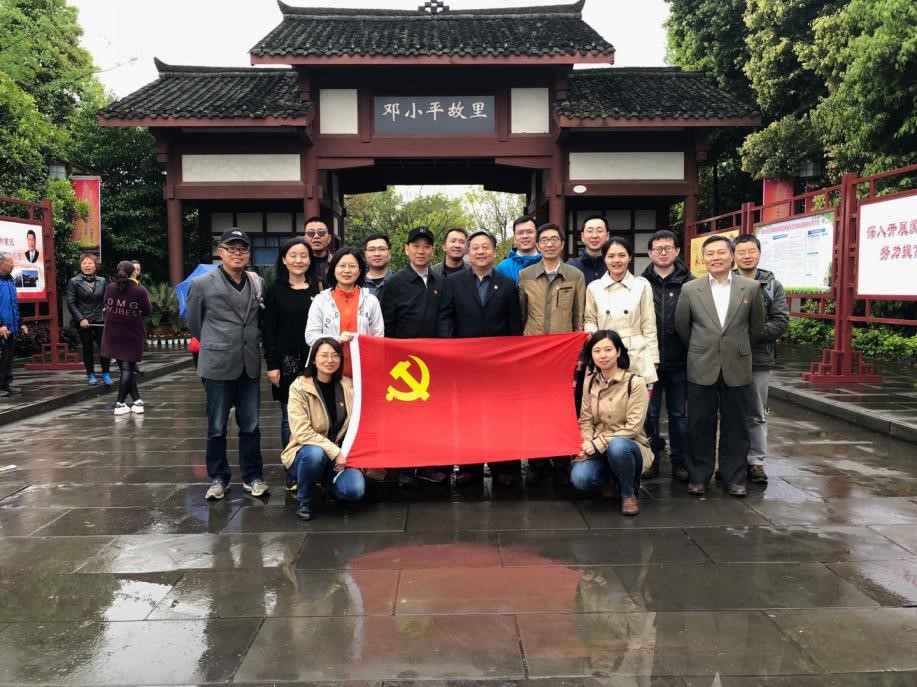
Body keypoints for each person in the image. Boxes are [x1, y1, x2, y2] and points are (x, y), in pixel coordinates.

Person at [675, 234, 765, 497]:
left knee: (736, 424)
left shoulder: (750, 288)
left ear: (731, 256)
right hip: (701, 364)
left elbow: (756, 327)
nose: (716, 258)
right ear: (703, 259)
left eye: (721, 252)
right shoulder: (691, 289)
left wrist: (734, 346)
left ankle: (733, 477)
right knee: (699, 423)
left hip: (737, 364)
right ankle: (698, 476)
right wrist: (704, 347)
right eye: (710, 254)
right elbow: (682, 325)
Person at [187, 228, 270, 501]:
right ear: (220, 252)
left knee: (251, 425)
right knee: (217, 425)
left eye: (242, 249)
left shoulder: (256, 281)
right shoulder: (202, 284)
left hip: (249, 363)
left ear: (249, 254)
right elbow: (194, 323)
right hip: (217, 362)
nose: (237, 253)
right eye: (231, 248)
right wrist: (217, 343)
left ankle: (252, 476)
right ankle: (219, 477)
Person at [439, 229, 522, 486]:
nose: (481, 251)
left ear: (495, 252)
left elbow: (514, 323)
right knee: (468, 414)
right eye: (475, 247)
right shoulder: (454, 282)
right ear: (468, 252)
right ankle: (470, 467)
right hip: (464, 362)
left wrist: (513, 358)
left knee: (501, 415)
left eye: (486, 247)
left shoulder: (507, 284)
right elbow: (446, 317)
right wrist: (448, 351)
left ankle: (503, 467)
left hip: (499, 363)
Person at [381, 226, 446, 486]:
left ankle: (429, 465)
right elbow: (386, 324)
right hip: (404, 364)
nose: (421, 251)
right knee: (405, 417)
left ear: (433, 250)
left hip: (436, 361)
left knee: (432, 415)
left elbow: (446, 317)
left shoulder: (441, 282)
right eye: (416, 246)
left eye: (426, 246)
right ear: (406, 249)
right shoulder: (394, 284)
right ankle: (406, 468)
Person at [281, 337, 365, 521]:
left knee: (355, 491)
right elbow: (302, 432)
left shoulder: (349, 385)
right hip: (306, 452)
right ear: (313, 359)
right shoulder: (299, 387)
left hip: (339, 457)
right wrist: (335, 452)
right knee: (315, 454)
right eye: (324, 355)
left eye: (335, 355)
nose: (330, 360)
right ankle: (304, 500)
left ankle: (327, 482)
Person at [573, 330, 654, 516]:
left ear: (618, 352)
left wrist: (599, 443)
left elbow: (633, 428)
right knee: (580, 478)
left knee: (618, 446)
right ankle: (610, 479)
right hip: (598, 446)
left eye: (608, 350)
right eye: (597, 351)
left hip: (630, 445)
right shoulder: (590, 381)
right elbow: (586, 419)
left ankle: (628, 492)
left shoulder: (635, 382)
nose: (602, 355)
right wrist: (587, 441)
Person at [733, 234, 789, 484]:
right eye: (741, 251)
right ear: (734, 255)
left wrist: (747, 334)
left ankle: (755, 461)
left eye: (751, 251)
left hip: (759, 358)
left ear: (759, 253)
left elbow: (780, 321)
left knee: (756, 412)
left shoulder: (772, 285)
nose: (747, 256)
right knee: (730, 411)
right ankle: (731, 459)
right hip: (729, 358)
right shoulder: (725, 282)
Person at [641, 229, 694, 481]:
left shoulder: (690, 283)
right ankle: (650, 460)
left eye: (668, 248)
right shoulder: (641, 283)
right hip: (649, 361)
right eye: (658, 249)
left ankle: (679, 461)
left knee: (678, 414)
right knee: (649, 413)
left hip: (680, 360)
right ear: (650, 253)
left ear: (677, 251)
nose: (663, 252)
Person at [263, 237, 322, 449]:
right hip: (287, 362)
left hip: (317, 361)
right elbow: (268, 330)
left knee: (319, 414)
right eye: (293, 255)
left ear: (310, 260)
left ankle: (316, 462)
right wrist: (272, 365)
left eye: (303, 256)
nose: (298, 260)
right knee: (290, 416)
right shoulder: (274, 291)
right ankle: (292, 464)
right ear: (284, 260)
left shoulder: (320, 287)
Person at [584, 237, 658, 385]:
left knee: (635, 396)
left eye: (622, 255)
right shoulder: (594, 287)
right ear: (604, 259)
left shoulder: (641, 286)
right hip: (605, 353)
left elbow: (649, 325)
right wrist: (593, 334)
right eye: (611, 256)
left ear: (629, 257)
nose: (616, 260)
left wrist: (653, 358)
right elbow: (589, 319)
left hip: (635, 353)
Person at [306, 247, 384, 378]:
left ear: (359, 271)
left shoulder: (371, 301)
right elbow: (310, 336)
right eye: (342, 266)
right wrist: (336, 340)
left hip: (363, 370)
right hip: (328, 370)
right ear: (333, 269)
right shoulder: (321, 300)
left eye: (352, 266)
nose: (347, 270)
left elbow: (379, 338)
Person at [101, 261, 151, 415]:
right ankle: (120, 403)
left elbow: (106, 304)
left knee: (125, 369)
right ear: (133, 273)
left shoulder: (110, 288)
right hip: (131, 334)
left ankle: (137, 401)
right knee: (128, 369)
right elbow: (147, 310)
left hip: (112, 333)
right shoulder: (139, 291)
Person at [518, 223, 585, 335]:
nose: (549, 244)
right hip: (533, 340)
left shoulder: (576, 276)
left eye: (554, 239)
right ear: (538, 246)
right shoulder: (525, 275)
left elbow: (578, 317)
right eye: (544, 240)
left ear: (562, 244)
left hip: (563, 341)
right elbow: (521, 315)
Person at [66, 253, 112, 386]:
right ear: (80, 266)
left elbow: (107, 299)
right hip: (84, 320)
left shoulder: (102, 281)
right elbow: (71, 302)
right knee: (87, 348)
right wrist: (80, 319)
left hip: (100, 319)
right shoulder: (74, 281)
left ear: (95, 266)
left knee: (104, 347)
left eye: (90, 263)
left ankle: (106, 373)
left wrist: (107, 307)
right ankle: (90, 373)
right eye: (84, 263)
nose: (87, 266)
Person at [0, 253, 28, 398]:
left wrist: (20, 323)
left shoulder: (10, 280)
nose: (13, 265)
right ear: (1, 264)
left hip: (11, 327)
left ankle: (5, 384)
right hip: (2, 328)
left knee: (8, 357)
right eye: (10, 262)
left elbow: (14, 304)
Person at [495, 215, 541, 281]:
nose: (525, 236)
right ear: (514, 239)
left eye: (529, 232)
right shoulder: (502, 268)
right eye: (520, 233)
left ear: (537, 236)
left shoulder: (548, 263)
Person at [567, 215, 609, 285]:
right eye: (590, 231)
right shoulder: (571, 267)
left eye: (599, 231)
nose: (594, 236)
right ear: (582, 236)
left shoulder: (614, 266)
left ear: (607, 235)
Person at [363, 233, 394, 298]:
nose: (377, 254)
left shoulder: (399, 281)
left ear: (390, 253)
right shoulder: (357, 282)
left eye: (382, 249)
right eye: (371, 250)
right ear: (365, 254)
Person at [305, 216, 333, 284]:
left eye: (321, 233)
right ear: (305, 239)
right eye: (311, 233)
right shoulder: (298, 264)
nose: (316, 236)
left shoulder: (338, 262)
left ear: (329, 239)